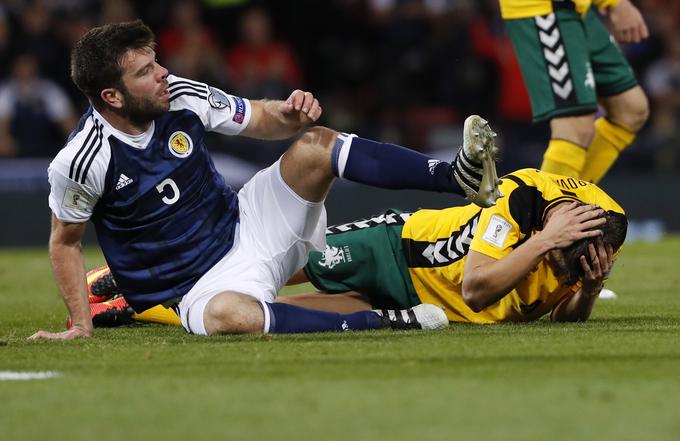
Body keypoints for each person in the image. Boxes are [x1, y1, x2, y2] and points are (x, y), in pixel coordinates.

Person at [29, 20, 503, 340]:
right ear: (110, 95)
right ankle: (382, 322)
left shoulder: (179, 95)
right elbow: (65, 242)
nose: (163, 74)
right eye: (145, 72)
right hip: (195, 290)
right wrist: (80, 324)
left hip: (247, 223)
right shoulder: (81, 160)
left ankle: (454, 175)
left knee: (316, 145)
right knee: (227, 316)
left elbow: (258, 119)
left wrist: (289, 113)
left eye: (156, 62)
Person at [81, 168, 623, 328]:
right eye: (557, 257)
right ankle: (145, 277)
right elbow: (478, 288)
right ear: (554, 229)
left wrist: (590, 286)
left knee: (289, 312)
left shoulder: (592, 238)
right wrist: (546, 244)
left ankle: (149, 307)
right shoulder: (519, 202)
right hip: (395, 249)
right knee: (281, 262)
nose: (559, 270)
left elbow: (566, 320)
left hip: (419, 305)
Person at [501, 0, 650, 182]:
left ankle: (570, 199)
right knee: (574, 126)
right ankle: (548, 208)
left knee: (630, 108)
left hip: (576, 8)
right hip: (544, 8)